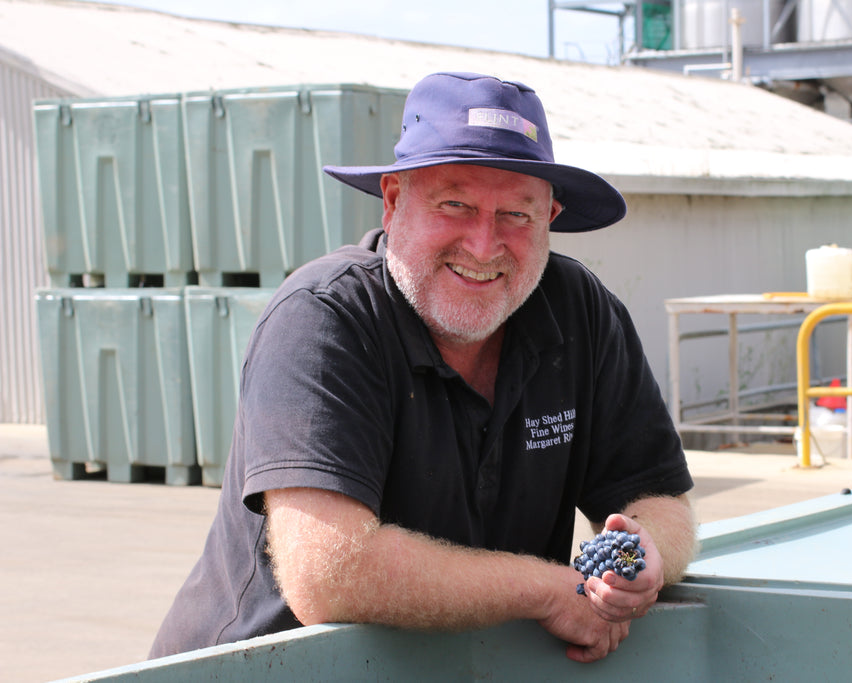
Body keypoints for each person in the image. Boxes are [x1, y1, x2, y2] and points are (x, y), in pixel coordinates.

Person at [150, 71, 697, 664]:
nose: (484, 245)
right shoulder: (323, 319)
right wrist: (546, 589)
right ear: (393, 201)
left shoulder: (579, 312)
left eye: (517, 214)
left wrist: (644, 558)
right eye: (455, 205)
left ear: (550, 217)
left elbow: (658, 499)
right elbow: (332, 574)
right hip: (259, 670)